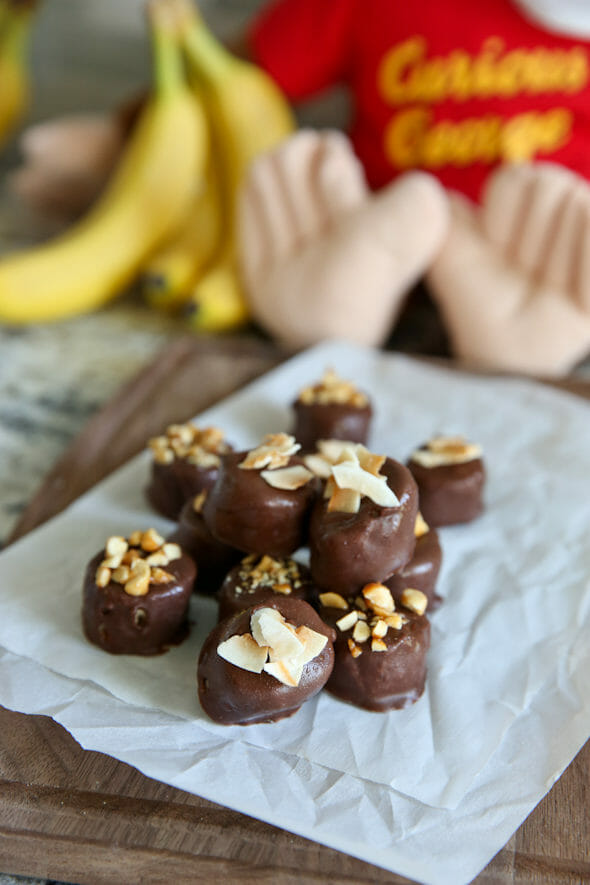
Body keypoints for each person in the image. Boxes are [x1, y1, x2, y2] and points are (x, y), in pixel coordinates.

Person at [237, 0, 590, 374]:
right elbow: (236, 82)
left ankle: (532, 336)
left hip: (548, 262)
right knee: (335, 289)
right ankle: (326, 314)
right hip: (374, 250)